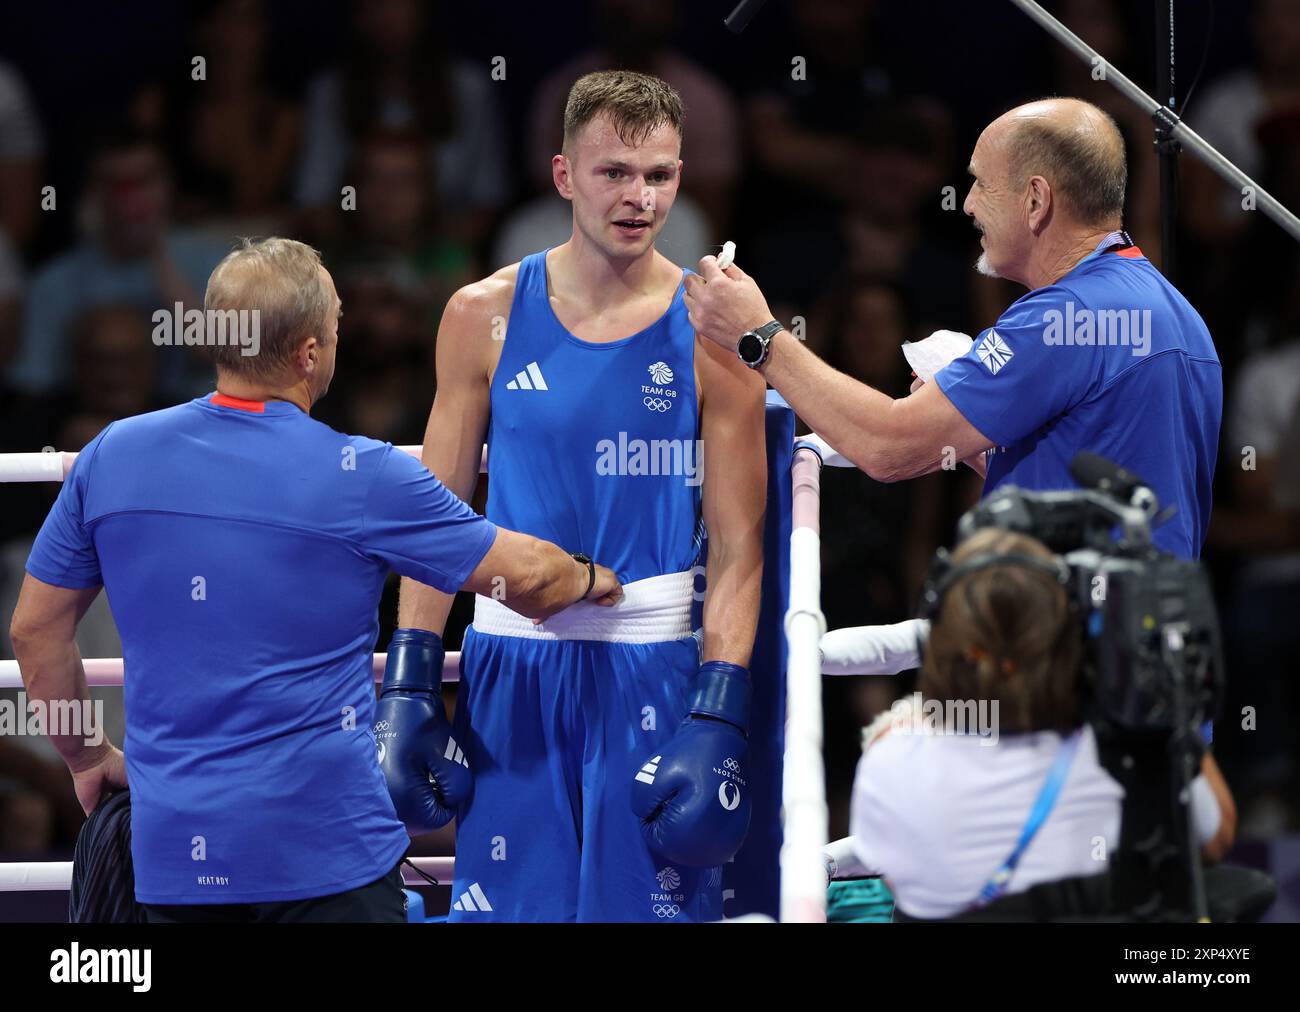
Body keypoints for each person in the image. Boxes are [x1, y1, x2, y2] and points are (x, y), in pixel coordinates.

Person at [8, 237, 621, 923]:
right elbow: (528, 579)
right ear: (308, 354)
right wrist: (591, 574)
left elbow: (34, 632)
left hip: (181, 859)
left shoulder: (112, 456)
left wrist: (88, 757)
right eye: (334, 327)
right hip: (331, 863)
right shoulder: (362, 474)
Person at [389, 70, 768, 922]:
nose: (640, 198)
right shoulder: (479, 314)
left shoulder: (716, 328)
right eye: (616, 173)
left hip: (655, 668)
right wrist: (410, 681)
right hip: (512, 671)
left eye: (661, 176)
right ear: (564, 176)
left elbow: (740, 543)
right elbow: (436, 519)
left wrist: (719, 709)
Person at [685, 98, 1222, 561]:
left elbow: (888, 446)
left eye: (981, 184)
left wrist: (759, 335)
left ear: (1036, 200)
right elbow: (1096, 484)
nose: (965, 205)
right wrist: (968, 430)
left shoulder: (1066, 316)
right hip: (1148, 652)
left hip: (1072, 658)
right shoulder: (1174, 312)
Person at [845, 529, 1235, 920]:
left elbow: (896, 878)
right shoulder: (1127, 754)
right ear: (1070, 639)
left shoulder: (893, 758)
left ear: (942, 641)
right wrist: (1160, 688)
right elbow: (1214, 839)